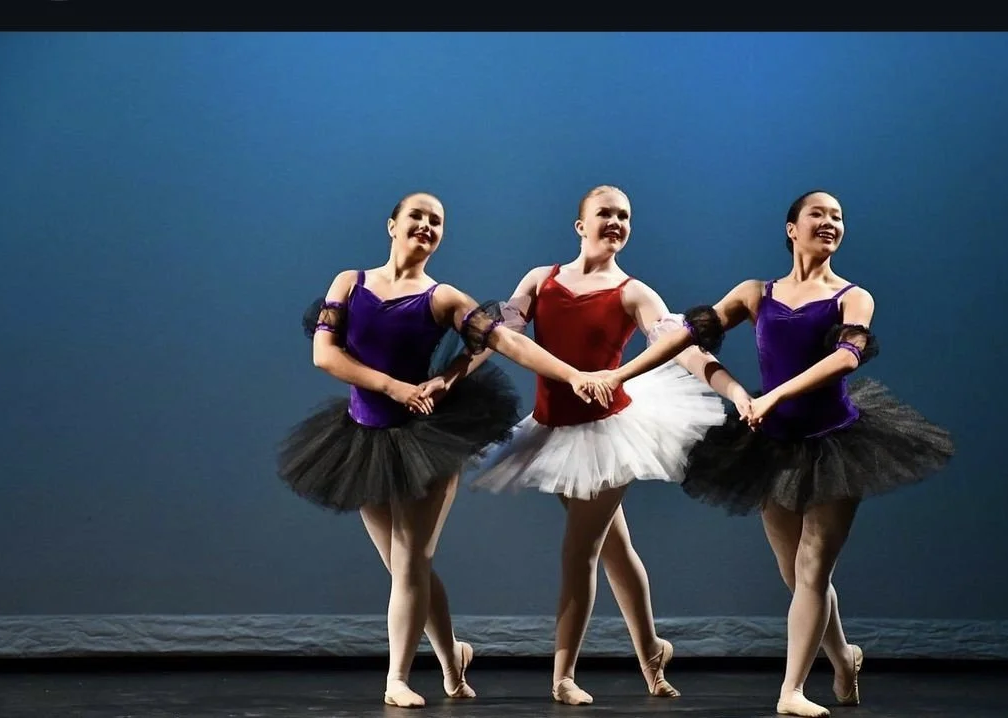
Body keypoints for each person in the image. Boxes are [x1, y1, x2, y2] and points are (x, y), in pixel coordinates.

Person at [597, 190, 955, 717]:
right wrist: (631, 374)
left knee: (813, 570)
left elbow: (847, 357)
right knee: (795, 575)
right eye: (818, 214)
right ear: (792, 228)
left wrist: (777, 394)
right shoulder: (754, 294)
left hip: (836, 442)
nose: (830, 222)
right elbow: (687, 339)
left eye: (838, 217)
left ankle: (791, 691)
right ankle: (844, 659)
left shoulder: (852, 297)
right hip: (771, 446)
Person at [277, 191, 614, 708]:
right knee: (401, 567)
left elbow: (507, 342)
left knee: (413, 561)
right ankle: (453, 658)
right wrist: (395, 388)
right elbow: (325, 354)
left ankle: (396, 677)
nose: (427, 226)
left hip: (425, 440)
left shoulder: (444, 299)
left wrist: (573, 374)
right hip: (360, 436)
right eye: (417, 217)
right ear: (392, 224)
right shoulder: (350, 283)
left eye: (437, 222)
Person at [457, 185, 733, 705]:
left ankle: (563, 674)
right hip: (551, 428)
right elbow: (500, 335)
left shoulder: (634, 292)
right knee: (614, 547)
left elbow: (671, 339)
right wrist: (451, 376)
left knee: (579, 551)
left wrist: (721, 384)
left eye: (624, 216)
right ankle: (653, 652)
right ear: (579, 225)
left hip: (608, 433)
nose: (615, 222)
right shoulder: (541, 280)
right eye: (604, 213)